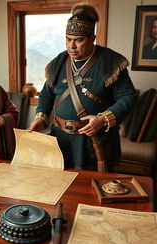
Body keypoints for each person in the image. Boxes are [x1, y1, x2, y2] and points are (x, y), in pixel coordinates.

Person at [28, 4, 138, 171]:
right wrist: (40, 117)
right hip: (61, 138)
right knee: (60, 189)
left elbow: (129, 97)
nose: (72, 46)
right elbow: (47, 94)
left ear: (92, 38)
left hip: (94, 141)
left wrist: (104, 118)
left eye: (78, 40)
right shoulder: (58, 62)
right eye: (68, 39)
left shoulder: (111, 62)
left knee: (90, 192)